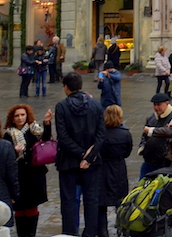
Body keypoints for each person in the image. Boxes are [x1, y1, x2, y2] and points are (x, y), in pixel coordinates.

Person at [55, 72, 105, 237]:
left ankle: (69, 233)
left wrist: (81, 154)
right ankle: (90, 233)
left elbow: (63, 137)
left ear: (66, 87)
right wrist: (89, 157)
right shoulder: (96, 105)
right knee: (91, 200)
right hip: (92, 162)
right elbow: (101, 135)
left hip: (68, 160)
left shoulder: (62, 107)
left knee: (68, 201)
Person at [3, 104, 50, 236]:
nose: (20, 118)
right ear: (12, 118)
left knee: (32, 207)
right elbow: (6, 156)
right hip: (18, 176)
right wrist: (14, 151)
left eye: (22, 115)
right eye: (17, 115)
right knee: (19, 209)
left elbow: (45, 140)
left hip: (34, 175)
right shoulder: (8, 135)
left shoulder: (33, 130)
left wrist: (47, 122)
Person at [97, 105, 131, 237]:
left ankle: (102, 231)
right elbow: (127, 152)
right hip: (118, 169)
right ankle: (122, 229)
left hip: (102, 169)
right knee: (121, 202)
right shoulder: (125, 134)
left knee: (101, 204)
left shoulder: (101, 134)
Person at [138, 93, 172, 179]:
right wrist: (142, 147)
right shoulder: (151, 118)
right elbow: (144, 136)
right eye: (154, 105)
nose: (156, 107)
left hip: (164, 162)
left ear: (167, 103)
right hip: (149, 159)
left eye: (159, 105)